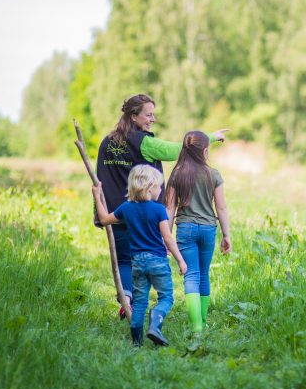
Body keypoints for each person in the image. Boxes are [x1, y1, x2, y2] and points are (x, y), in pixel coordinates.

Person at [95, 93, 226, 320]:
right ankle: (155, 301)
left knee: (125, 260)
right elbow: (183, 149)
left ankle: (127, 297)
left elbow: (101, 177)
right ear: (133, 116)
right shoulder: (144, 143)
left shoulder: (107, 143)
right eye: (148, 114)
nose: (152, 119)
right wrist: (211, 137)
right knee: (150, 257)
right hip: (143, 214)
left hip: (115, 211)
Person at [92, 165, 187, 347]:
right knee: (166, 297)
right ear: (149, 187)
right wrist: (181, 260)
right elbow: (167, 238)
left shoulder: (126, 208)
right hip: (158, 261)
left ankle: (136, 343)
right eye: (159, 186)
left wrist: (97, 195)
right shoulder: (159, 210)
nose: (161, 189)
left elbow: (104, 220)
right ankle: (155, 320)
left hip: (137, 262)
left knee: (140, 301)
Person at [165, 130, 231, 333]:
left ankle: (197, 327)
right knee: (204, 274)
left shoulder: (177, 174)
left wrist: (165, 237)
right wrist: (226, 235)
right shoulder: (213, 174)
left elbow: (169, 208)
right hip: (208, 229)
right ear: (204, 150)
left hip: (185, 229)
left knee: (191, 275)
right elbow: (221, 207)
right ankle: (202, 320)